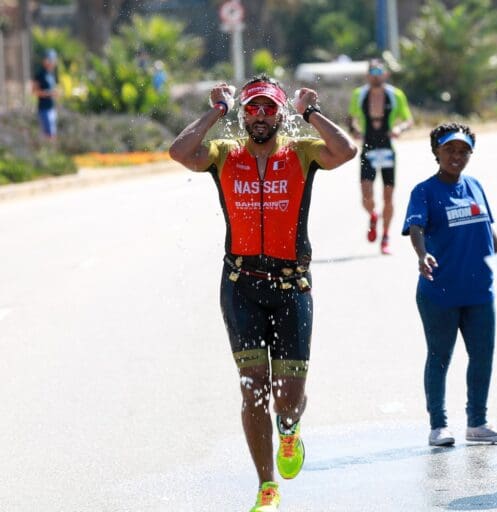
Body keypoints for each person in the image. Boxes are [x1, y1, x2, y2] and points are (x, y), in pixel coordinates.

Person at [168, 75, 357, 512]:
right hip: (240, 286)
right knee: (252, 387)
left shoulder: (301, 152)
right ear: (243, 113)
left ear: (280, 113)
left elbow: (346, 151)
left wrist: (308, 112)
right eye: (251, 108)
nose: (259, 117)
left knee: (287, 396)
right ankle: (266, 487)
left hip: (292, 286)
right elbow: (180, 153)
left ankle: (289, 432)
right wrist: (217, 110)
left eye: (269, 109)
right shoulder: (223, 154)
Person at [402, 123, 497, 447]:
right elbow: (416, 228)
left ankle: (477, 423)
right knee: (439, 356)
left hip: (479, 290)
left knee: (482, 355)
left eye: (463, 151)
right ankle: (438, 425)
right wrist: (422, 256)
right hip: (440, 290)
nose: (456, 156)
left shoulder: (475, 185)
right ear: (436, 151)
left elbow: (487, 228)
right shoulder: (424, 191)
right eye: (449, 149)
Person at [348, 58, 414, 254]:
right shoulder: (359, 94)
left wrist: (399, 128)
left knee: (388, 195)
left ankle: (385, 236)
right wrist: (355, 130)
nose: (376, 77)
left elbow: (408, 119)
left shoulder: (395, 95)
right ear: (368, 75)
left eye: (380, 73)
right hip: (368, 146)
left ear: (386, 74)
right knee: (366, 195)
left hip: (387, 147)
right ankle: (373, 215)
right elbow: (351, 118)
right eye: (373, 73)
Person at [31, 49, 59, 140]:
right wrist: (49, 93)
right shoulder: (40, 74)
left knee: (53, 134)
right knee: (48, 135)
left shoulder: (51, 74)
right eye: (50, 60)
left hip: (51, 108)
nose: (52, 62)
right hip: (43, 109)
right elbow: (34, 92)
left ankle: (52, 153)